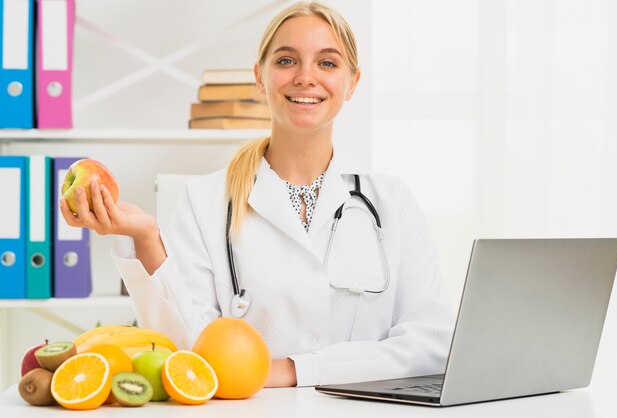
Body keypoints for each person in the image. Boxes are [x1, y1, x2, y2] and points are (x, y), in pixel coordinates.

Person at [60, 1, 453, 388]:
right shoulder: (204, 201)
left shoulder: (391, 202)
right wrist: (145, 237)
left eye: (328, 63)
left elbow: (432, 344)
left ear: (352, 83)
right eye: (286, 61)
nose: (305, 77)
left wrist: (294, 370)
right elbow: (187, 353)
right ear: (259, 77)